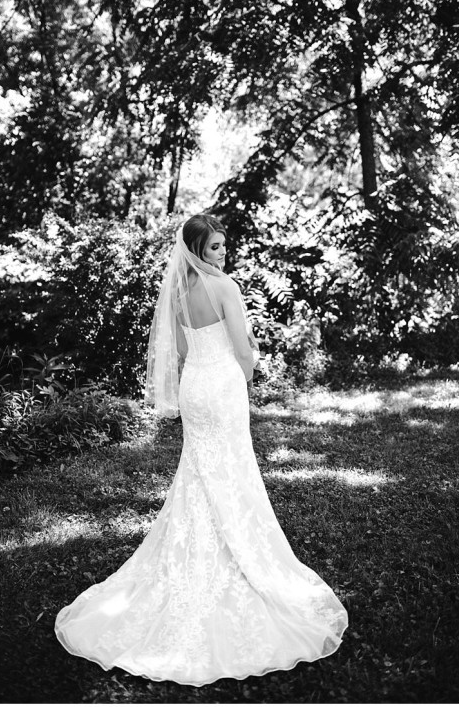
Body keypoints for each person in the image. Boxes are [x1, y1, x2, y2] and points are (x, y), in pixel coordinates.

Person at [54, 214, 347, 686]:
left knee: (199, 469)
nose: (222, 254)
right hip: (224, 388)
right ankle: (236, 548)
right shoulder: (226, 287)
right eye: (214, 247)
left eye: (223, 247)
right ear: (195, 249)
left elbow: (181, 353)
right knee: (231, 468)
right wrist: (248, 368)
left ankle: (195, 547)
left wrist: (214, 367)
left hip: (195, 390)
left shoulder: (176, 294)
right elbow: (243, 351)